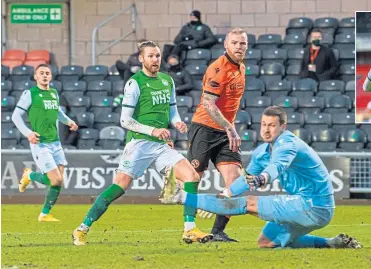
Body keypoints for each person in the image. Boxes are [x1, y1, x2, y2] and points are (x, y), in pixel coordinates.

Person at [162, 106, 363, 249]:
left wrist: (262, 179)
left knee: (248, 204)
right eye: (264, 124)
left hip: (313, 204)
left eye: (272, 125)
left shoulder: (287, 144)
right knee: (266, 242)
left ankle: (179, 197)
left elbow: (276, 167)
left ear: (283, 127)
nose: (266, 129)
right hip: (307, 207)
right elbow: (247, 177)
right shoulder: (262, 151)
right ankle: (331, 243)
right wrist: (225, 193)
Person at [72, 41, 212, 246]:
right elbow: (125, 120)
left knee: (191, 175)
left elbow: (172, 110)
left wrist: (177, 123)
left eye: (157, 56)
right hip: (139, 144)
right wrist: (152, 130)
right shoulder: (135, 83)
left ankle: (189, 230)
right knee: (119, 187)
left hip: (160, 145)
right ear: (141, 59)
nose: (155, 59)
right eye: (150, 56)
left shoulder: (167, 80)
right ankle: (82, 228)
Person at [186, 28, 247, 242]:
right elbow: (208, 104)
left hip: (224, 131)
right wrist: (230, 127)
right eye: (235, 43)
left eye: (243, 43)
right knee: (194, 179)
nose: (239, 46)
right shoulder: (218, 69)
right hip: (204, 128)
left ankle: (218, 231)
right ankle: (189, 228)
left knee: (236, 181)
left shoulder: (241, 68)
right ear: (226, 45)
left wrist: (229, 127)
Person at [11, 64, 79, 222]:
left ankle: (44, 214)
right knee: (55, 180)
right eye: (41, 73)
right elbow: (15, 116)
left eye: (47, 73)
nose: (44, 75)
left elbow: (58, 113)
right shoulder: (30, 93)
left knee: (58, 181)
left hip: (55, 143)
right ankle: (30, 175)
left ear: (51, 76)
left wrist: (69, 122)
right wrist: (28, 133)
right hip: (40, 143)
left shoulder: (54, 93)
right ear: (35, 76)